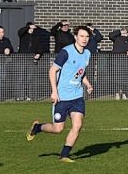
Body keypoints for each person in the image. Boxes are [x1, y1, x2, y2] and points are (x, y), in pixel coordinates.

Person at [26, 25, 94, 163]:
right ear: (75, 37)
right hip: (62, 97)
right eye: (81, 36)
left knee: (78, 125)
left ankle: (64, 155)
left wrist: (87, 84)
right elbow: (52, 71)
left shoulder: (87, 53)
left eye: (87, 36)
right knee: (58, 129)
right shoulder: (66, 52)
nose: (84, 39)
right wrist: (54, 92)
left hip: (77, 96)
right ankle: (37, 127)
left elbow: (81, 71)